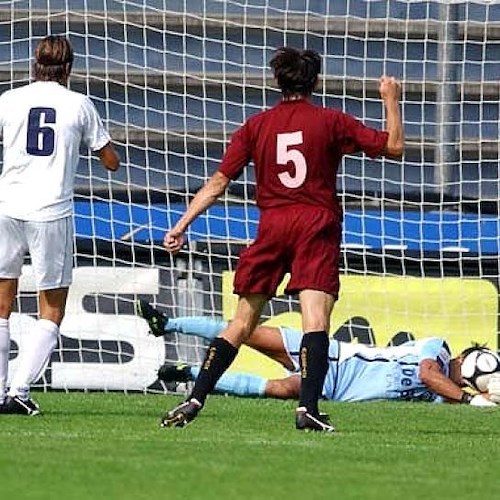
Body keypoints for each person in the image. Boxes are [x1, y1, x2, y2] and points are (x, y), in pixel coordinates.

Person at [162, 46, 404, 431]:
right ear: (315, 81)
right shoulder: (331, 120)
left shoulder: (256, 125)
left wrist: (182, 224)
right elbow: (393, 146)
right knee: (315, 321)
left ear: (278, 81)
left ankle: (194, 398)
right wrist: (390, 99)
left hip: (272, 226)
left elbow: (219, 183)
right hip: (315, 225)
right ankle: (307, 408)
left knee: (241, 322)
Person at [0, 35, 120, 415]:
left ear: (34, 63)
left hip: (7, 207)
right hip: (50, 211)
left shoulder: (9, 100)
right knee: (51, 306)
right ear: (68, 68)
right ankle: (18, 389)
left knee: (1, 304)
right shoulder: (79, 104)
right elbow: (110, 161)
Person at [137, 301, 497, 407]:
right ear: (464, 360)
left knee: (274, 388)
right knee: (244, 332)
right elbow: (427, 374)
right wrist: (470, 401)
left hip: (336, 391)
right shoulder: (437, 348)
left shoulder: (441, 401)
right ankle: (168, 323)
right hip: (334, 357)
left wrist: (476, 402)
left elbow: (442, 393)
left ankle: (188, 375)